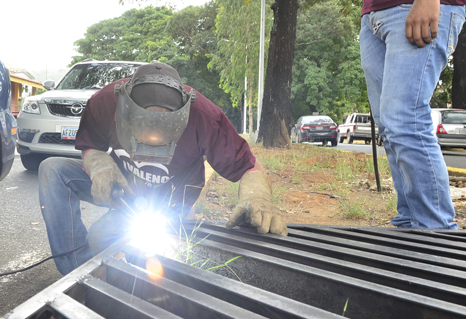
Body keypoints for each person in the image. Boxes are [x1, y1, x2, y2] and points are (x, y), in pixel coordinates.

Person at [38, 62, 287, 275]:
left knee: (138, 257)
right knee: (53, 170)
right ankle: (77, 275)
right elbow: (90, 145)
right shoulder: (105, 102)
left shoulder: (204, 117)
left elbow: (248, 166)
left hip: (170, 204)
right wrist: (100, 167)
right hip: (123, 192)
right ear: (124, 107)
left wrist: (258, 196)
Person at [360, 0, 466, 230]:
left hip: (418, 2)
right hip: (377, 11)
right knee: (390, 126)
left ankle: (435, 231)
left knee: (404, 117)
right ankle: (410, 222)